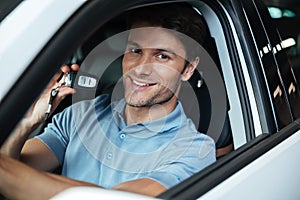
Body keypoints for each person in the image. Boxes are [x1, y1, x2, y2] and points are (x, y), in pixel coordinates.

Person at [0, 3, 216, 199]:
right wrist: (24, 124)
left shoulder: (194, 150)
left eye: (162, 56)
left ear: (188, 69)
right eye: (135, 51)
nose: (141, 68)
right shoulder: (82, 114)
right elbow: (17, 167)